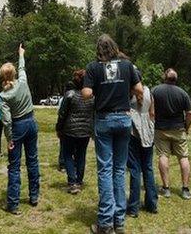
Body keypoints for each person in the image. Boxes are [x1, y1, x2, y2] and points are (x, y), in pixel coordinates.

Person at [82, 34, 143, 234]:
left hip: (104, 120)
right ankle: (120, 222)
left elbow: (86, 94)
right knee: (119, 170)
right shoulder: (127, 66)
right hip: (124, 119)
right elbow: (139, 89)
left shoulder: (93, 67)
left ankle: (106, 223)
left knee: (105, 170)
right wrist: (124, 91)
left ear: (98, 49)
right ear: (115, 47)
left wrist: (98, 89)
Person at [0, 43, 40, 215]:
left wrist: (9, 139)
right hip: (31, 123)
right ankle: (34, 196)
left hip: (17, 126)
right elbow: (22, 66)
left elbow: (6, 121)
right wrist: (21, 53)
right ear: (14, 74)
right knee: (33, 160)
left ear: (1, 77)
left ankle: (13, 204)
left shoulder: (3, 96)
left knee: (14, 166)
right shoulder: (23, 81)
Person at [152, 68, 191, 200]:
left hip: (161, 129)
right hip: (178, 129)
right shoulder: (182, 93)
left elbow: (150, 109)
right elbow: (189, 113)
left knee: (163, 156)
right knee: (183, 157)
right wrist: (186, 127)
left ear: (165, 77)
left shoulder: (155, 90)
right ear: (176, 79)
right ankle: (185, 189)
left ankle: (166, 188)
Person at [55, 69, 94, 194]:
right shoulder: (92, 96)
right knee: (81, 155)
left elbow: (62, 114)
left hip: (69, 130)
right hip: (85, 130)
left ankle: (72, 182)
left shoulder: (69, 95)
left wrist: (58, 128)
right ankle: (79, 180)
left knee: (67, 155)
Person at [126, 69, 158, 217]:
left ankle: (133, 207)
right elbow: (152, 114)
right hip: (148, 133)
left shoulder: (129, 95)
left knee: (134, 170)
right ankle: (152, 204)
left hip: (133, 133)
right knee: (148, 168)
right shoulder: (148, 92)